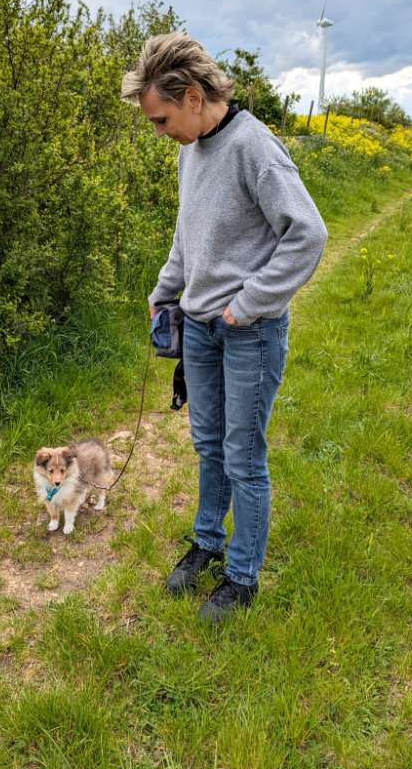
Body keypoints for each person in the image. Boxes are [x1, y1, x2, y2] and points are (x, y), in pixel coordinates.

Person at [121, 32, 328, 622]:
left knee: (243, 454)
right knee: (208, 444)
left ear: (190, 97)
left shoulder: (254, 148)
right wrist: (165, 293)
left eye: (161, 119)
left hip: (248, 332)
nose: (159, 133)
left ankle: (242, 577)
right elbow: (190, 237)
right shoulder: (192, 150)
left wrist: (251, 302)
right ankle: (207, 544)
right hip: (201, 328)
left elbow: (308, 233)